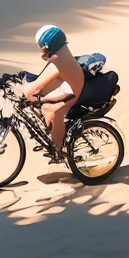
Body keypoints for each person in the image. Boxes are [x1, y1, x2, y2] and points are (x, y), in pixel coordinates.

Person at [23, 25, 85, 160]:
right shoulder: (61, 55)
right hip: (70, 89)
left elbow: (37, 85)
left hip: (73, 94)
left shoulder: (57, 61)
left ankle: (58, 150)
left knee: (50, 110)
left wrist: (23, 89)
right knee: (44, 103)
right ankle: (53, 141)